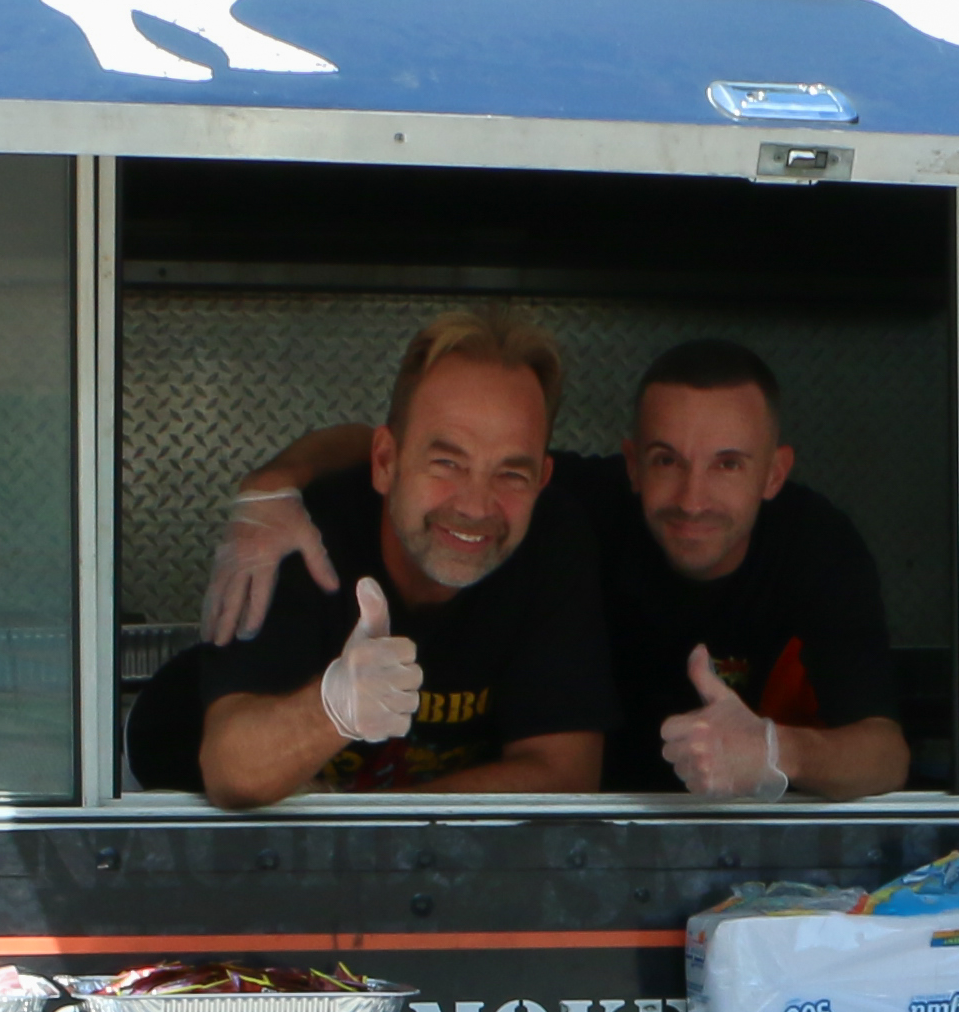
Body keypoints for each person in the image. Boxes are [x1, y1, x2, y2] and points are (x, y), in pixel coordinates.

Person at [204, 336, 907, 797]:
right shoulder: (310, 531)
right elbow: (384, 436)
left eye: (729, 464)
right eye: (667, 461)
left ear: (775, 473)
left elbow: (886, 754)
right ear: (632, 463)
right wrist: (272, 483)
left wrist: (780, 752)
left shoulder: (816, 546)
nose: (693, 498)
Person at [164, 308, 609, 809]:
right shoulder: (306, 534)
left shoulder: (553, 540)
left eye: (511, 474)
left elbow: (566, 774)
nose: (475, 506)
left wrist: (388, 825)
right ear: (384, 462)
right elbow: (231, 771)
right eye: (447, 462)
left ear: (543, 480)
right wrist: (332, 709)